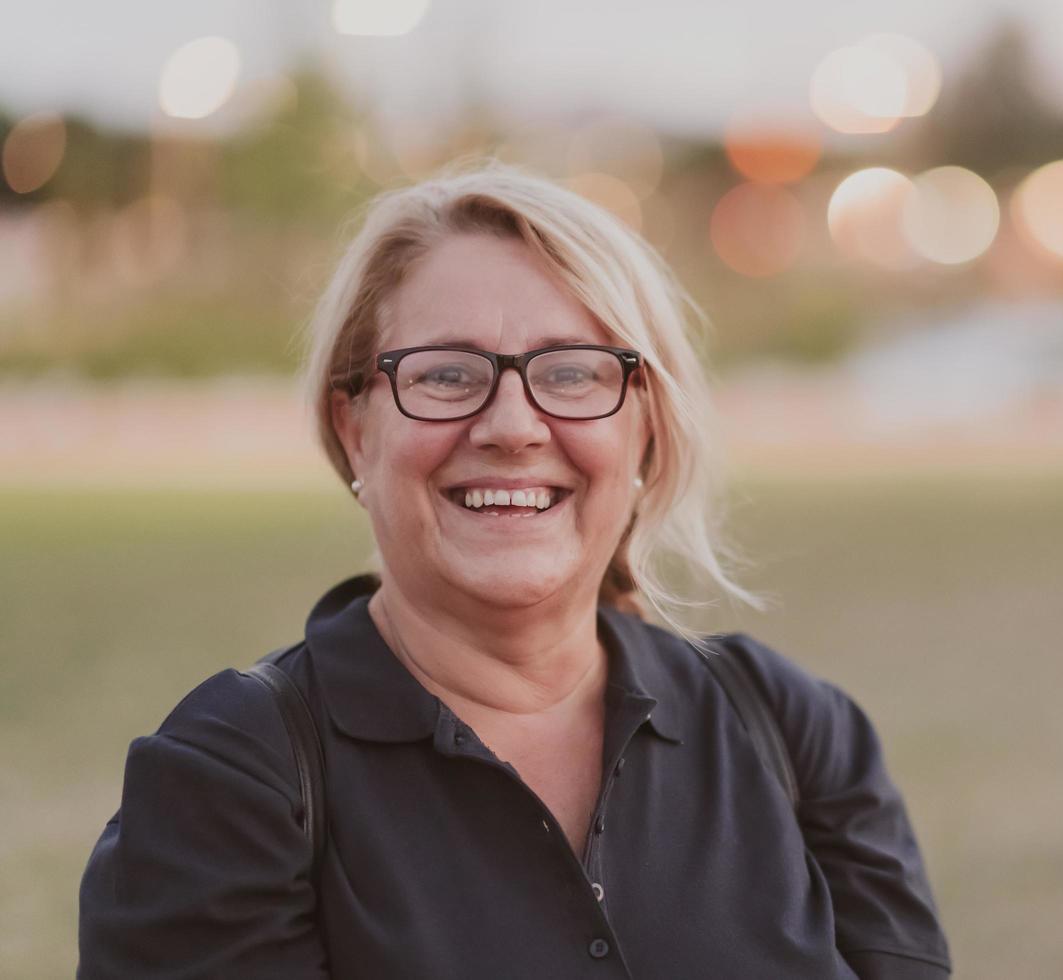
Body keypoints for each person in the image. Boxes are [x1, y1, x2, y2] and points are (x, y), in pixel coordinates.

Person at [77, 163, 951, 978]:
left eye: (572, 373)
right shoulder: (230, 776)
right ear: (355, 429)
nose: (513, 425)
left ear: (645, 427)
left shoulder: (793, 729)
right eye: (447, 375)